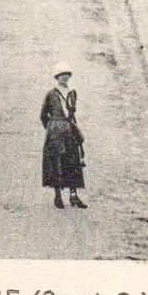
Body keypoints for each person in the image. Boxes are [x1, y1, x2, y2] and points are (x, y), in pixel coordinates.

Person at [40, 66, 87, 209]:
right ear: (56, 77)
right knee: (56, 163)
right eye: (61, 75)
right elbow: (43, 115)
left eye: (66, 74)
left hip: (70, 132)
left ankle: (74, 196)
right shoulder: (51, 94)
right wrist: (52, 128)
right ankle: (57, 197)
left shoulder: (72, 93)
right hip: (55, 134)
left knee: (73, 163)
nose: (64, 77)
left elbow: (72, 113)